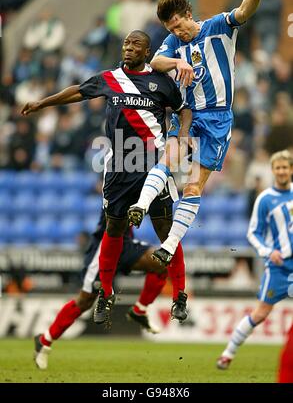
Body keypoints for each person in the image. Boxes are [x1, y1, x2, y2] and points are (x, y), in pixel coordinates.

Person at [22, 30, 192, 327]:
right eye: (126, 43)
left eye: (135, 44)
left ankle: (179, 295)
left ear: (147, 51)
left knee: (167, 233)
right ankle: (106, 293)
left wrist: (183, 135)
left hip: (154, 166)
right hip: (119, 169)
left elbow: (183, 110)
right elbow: (77, 91)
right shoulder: (109, 78)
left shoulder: (162, 83)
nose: (128, 48)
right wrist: (42, 104)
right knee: (114, 229)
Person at [128, 0, 271, 267]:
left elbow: (242, 12)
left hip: (218, 118)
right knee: (167, 162)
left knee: (193, 187)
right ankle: (140, 206)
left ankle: (168, 246)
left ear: (189, 14)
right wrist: (177, 62)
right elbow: (155, 63)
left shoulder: (218, 26)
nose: (177, 33)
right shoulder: (171, 42)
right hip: (188, 115)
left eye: (179, 25)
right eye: (171, 29)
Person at [34, 210, 184, 370]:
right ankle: (44, 341)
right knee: (85, 301)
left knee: (161, 263)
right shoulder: (116, 186)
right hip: (104, 247)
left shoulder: (145, 186)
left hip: (125, 244)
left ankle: (139, 310)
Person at [217, 150, 293, 370]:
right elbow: (253, 233)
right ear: (273, 171)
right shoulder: (265, 199)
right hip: (278, 267)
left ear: (291, 170)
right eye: (277, 168)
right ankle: (228, 352)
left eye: (285, 167)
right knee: (260, 312)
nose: (281, 171)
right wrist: (269, 252)